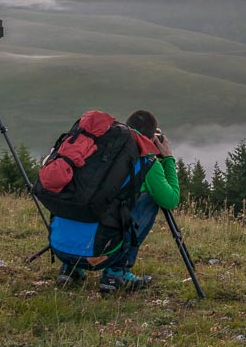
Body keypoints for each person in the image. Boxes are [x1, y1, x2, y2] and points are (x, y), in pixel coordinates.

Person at [54, 110, 180, 292]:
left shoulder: (92, 149)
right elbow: (171, 200)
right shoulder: (147, 163)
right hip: (104, 251)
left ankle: (70, 269)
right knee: (150, 200)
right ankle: (116, 273)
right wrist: (168, 158)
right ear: (152, 138)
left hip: (61, 247)